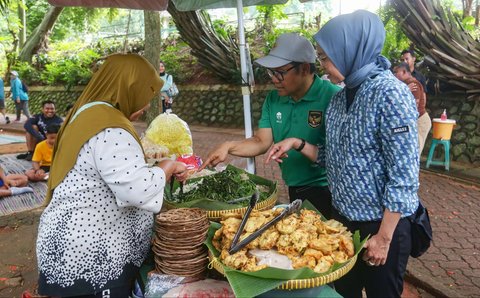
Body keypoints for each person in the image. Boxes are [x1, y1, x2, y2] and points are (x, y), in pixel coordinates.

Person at [266, 11, 419, 297]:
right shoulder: (340, 97)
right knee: (343, 292)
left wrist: (383, 238)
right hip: (342, 224)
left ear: (351, 51)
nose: (321, 66)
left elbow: (404, 178)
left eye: (325, 57)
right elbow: (331, 158)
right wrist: (297, 142)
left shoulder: (390, 94)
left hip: (380, 225)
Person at [36, 54, 188, 297]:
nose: (146, 107)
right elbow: (137, 191)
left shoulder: (86, 114)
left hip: (69, 242)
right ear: (127, 89)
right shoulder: (111, 129)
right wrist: (168, 165)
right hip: (91, 256)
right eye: (144, 97)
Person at [200, 33, 341, 218]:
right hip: (294, 188)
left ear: (305, 68)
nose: (274, 79)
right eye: (271, 72)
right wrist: (228, 146)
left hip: (328, 189)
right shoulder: (274, 99)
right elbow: (261, 141)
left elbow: (341, 156)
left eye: (280, 72)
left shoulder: (333, 97)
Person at [394, 62, 432, 154]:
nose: (394, 75)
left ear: (403, 72)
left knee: (414, 152)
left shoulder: (413, 84)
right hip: (414, 121)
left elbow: (414, 107)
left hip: (419, 121)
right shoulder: (405, 84)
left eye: (396, 72)